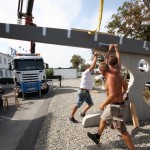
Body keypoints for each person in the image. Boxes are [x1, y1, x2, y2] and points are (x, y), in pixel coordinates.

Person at [87, 62, 135, 150]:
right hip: (113, 105)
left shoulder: (110, 78)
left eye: (99, 70)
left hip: (116, 107)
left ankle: (132, 149)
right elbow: (125, 84)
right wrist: (123, 92)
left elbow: (112, 95)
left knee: (122, 131)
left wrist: (103, 104)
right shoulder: (116, 76)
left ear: (101, 71)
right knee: (103, 118)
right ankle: (97, 137)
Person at [69, 52, 99, 123]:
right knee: (77, 105)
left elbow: (93, 68)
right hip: (83, 92)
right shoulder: (86, 72)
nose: (90, 69)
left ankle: (82, 113)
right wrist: (96, 57)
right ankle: (71, 116)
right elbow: (93, 65)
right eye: (89, 68)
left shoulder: (87, 74)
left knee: (90, 104)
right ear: (87, 69)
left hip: (86, 92)